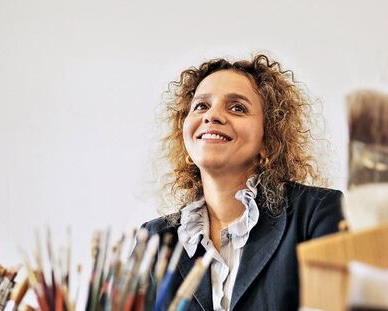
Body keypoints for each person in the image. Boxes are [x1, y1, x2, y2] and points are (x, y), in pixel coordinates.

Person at [144, 54, 344, 311]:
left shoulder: (317, 214)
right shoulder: (154, 240)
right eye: (201, 106)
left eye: (237, 107)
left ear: (268, 140)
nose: (212, 116)